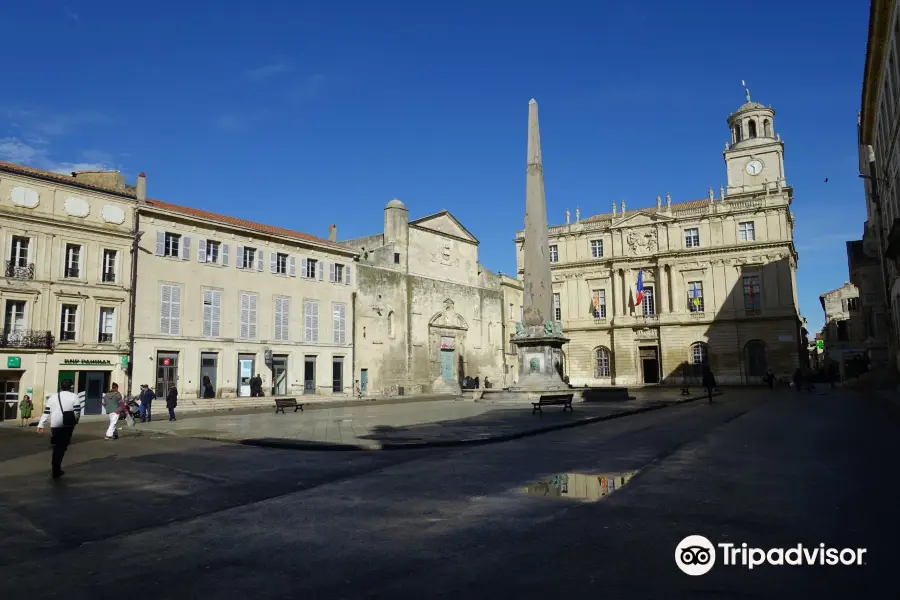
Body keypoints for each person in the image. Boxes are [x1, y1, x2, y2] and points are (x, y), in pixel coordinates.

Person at [36, 378, 81, 479]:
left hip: (55, 425)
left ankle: (55, 466)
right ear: (71, 387)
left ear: (61, 386)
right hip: (68, 425)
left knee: (58, 446)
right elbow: (77, 411)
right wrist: (75, 421)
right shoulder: (74, 396)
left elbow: (46, 411)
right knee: (61, 447)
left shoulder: (53, 397)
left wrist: (40, 424)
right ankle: (56, 468)